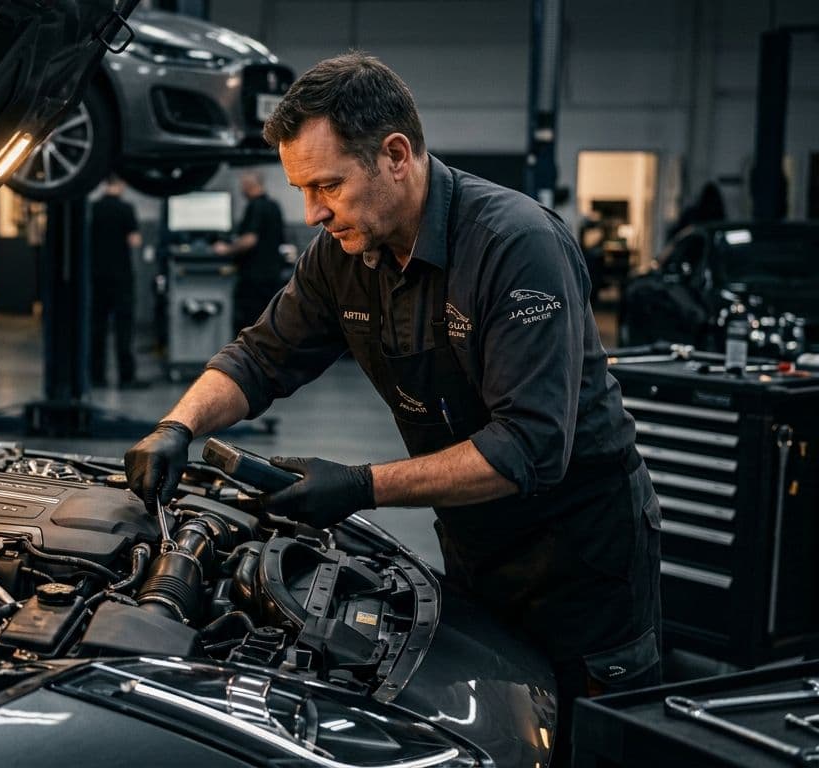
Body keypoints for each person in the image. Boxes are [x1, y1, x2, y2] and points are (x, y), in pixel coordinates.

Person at [124, 52, 660, 765]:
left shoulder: (514, 245)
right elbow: (260, 356)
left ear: (396, 156)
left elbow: (529, 447)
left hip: (581, 557)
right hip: (475, 542)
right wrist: (177, 425)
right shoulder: (341, 252)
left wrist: (360, 485)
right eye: (303, 189)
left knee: (587, 744)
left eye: (327, 186)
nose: (313, 211)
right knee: (504, 732)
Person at [88, 176, 145, 388]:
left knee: (97, 327)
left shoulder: (93, 208)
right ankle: (126, 377)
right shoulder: (126, 208)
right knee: (124, 328)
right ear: (122, 184)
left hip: (96, 275)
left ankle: (96, 376)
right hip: (121, 276)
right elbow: (135, 240)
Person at [213, 171, 286, 331]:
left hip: (254, 276)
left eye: (242, 185)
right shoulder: (274, 206)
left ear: (249, 185)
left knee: (250, 323)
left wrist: (227, 249)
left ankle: (248, 356)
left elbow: (250, 239)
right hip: (272, 274)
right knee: (267, 320)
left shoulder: (255, 206)